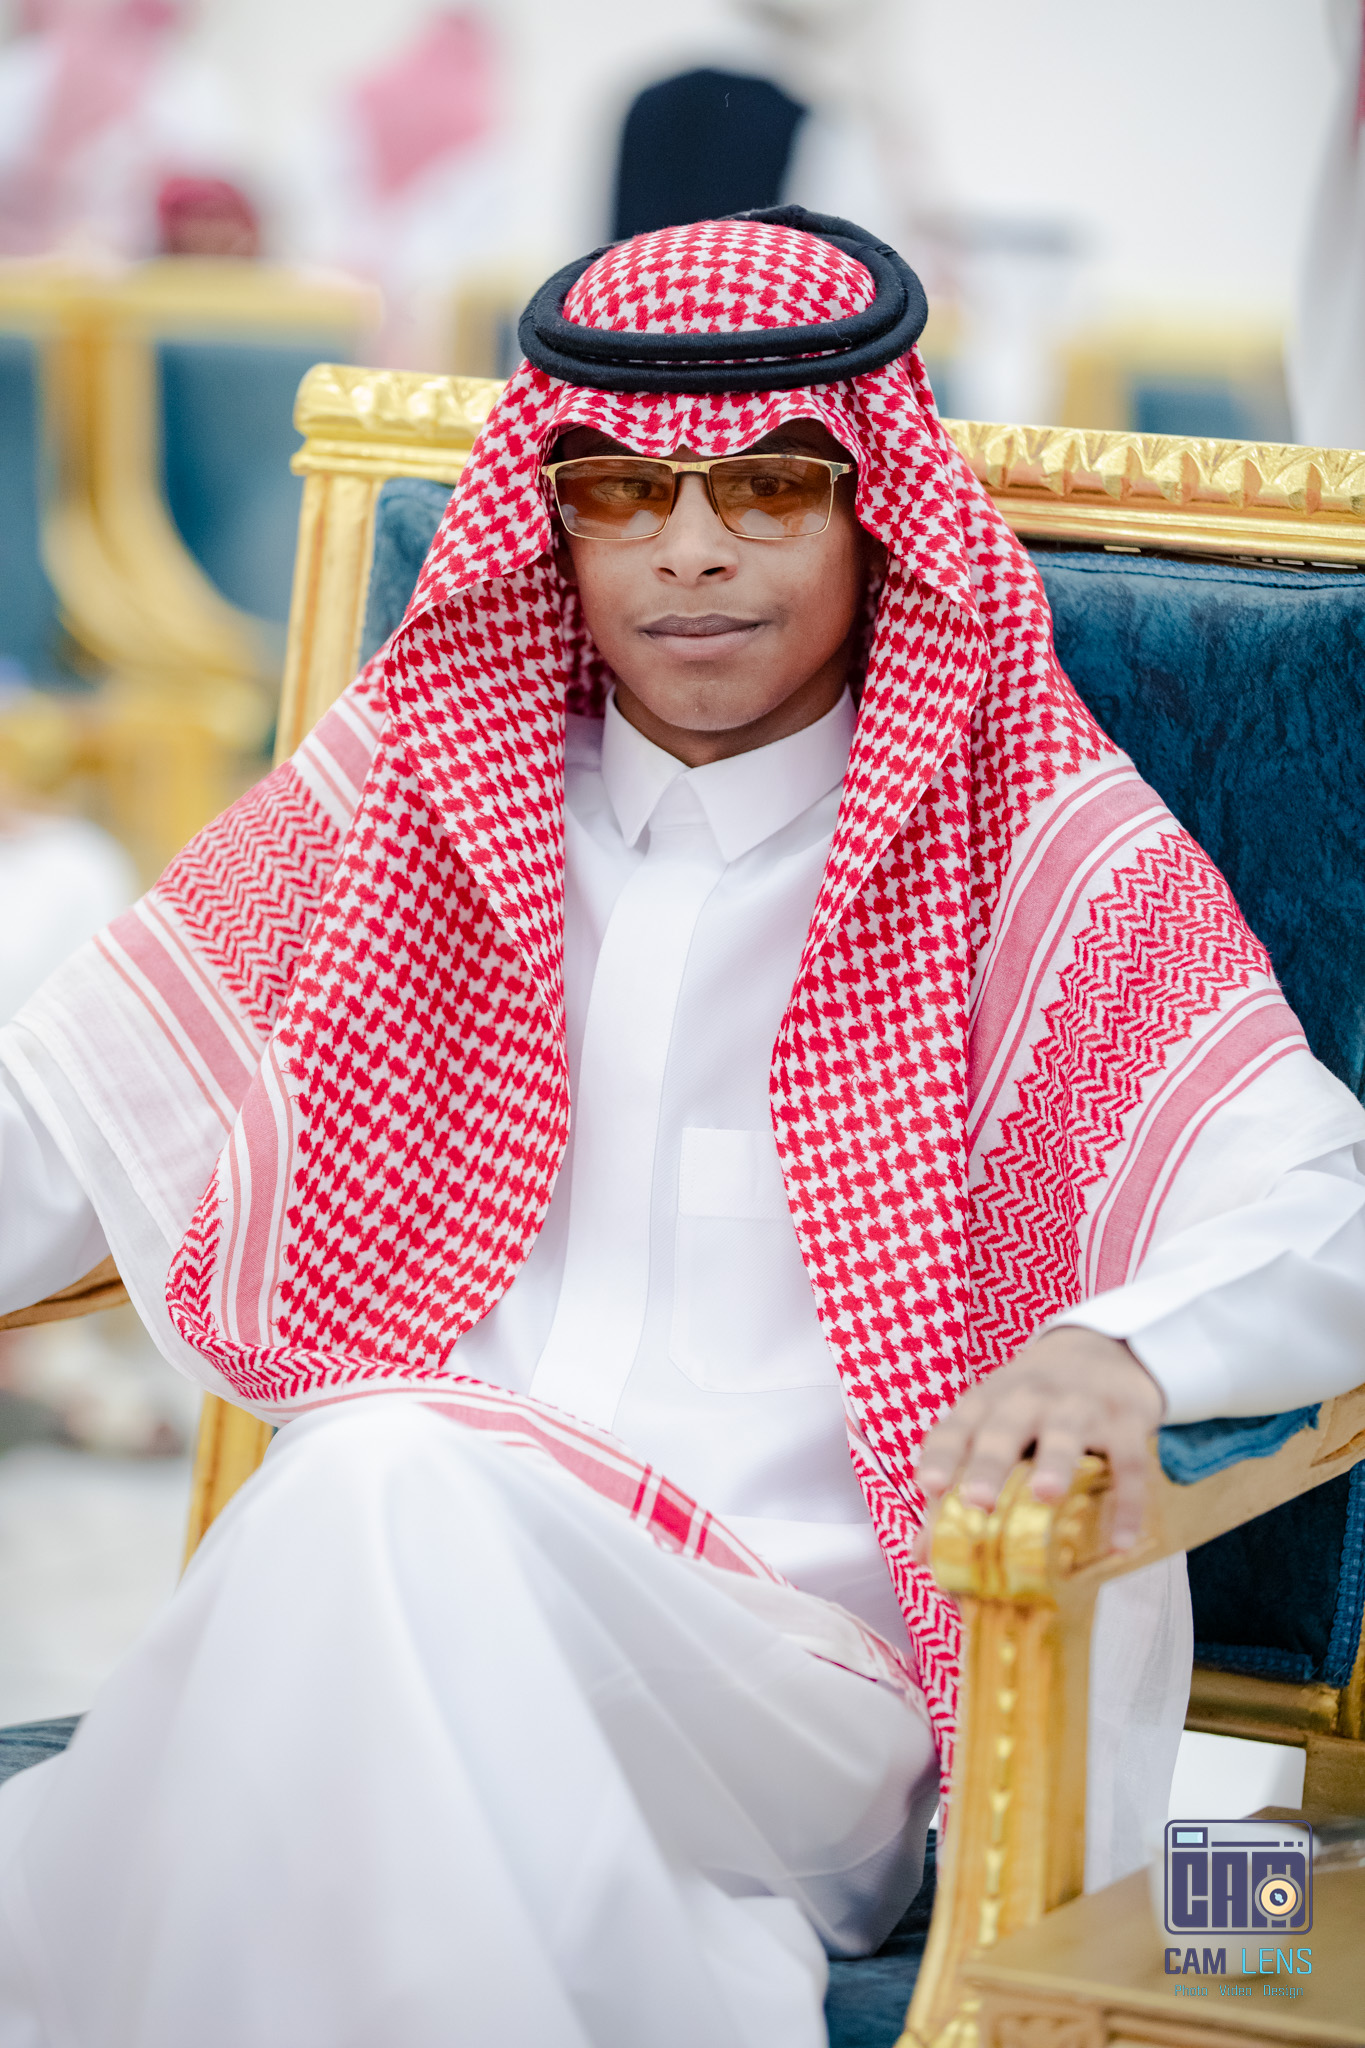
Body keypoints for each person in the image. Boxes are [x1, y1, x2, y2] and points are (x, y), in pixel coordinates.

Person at [0, 207, 1363, 2048]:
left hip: (788, 1696)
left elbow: (1324, 1204)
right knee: (373, 1521)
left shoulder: (1028, 845)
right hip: (380, 1594)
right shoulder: (408, 805)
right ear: (550, 524)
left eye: (769, 489)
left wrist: (1119, 1345)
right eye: (624, 493)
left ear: (870, 514)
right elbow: (61, 1122)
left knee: (369, 1483)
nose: (691, 550)